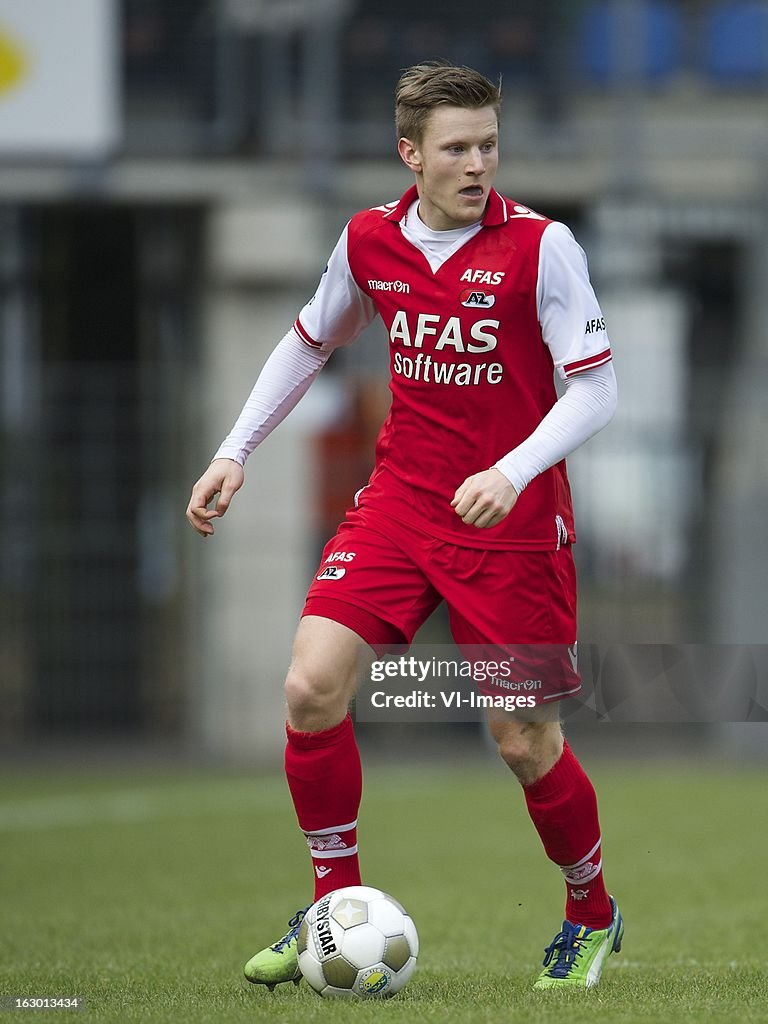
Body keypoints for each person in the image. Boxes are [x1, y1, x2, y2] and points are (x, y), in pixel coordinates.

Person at [186, 61, 621, 991]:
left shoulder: (544, 248)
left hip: (510, 522)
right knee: (310, 688)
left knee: (522, 741)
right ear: (409, 154)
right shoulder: (369, 240)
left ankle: (591, 908)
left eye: (489, 146)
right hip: (401, 505)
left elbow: (596, 386)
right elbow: (310, 340)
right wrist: (236, 449)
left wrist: (513, 470)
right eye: (456, 149)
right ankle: (330, 911)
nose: (477, 165)